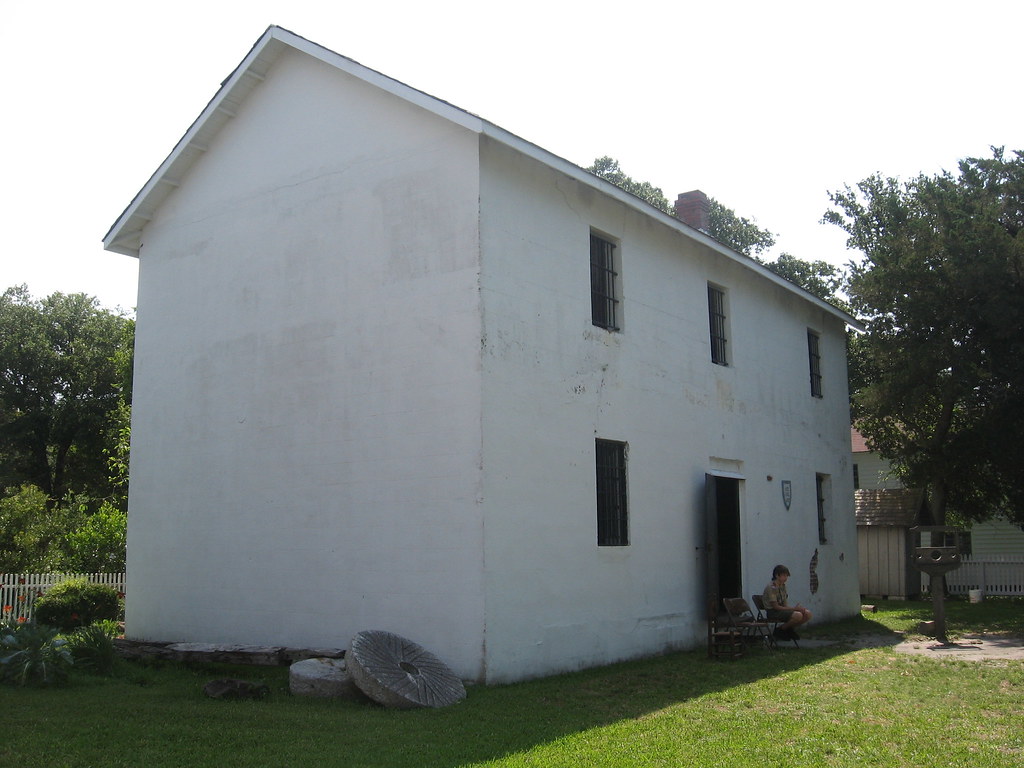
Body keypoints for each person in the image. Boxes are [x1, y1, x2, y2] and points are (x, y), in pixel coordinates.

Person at [762, 564, 812, 641]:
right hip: (773, 612)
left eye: (787, 576)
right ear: (777, 576)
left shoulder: (782, 586)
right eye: (784, 575)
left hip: (781, 610)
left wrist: (796, 609)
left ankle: (788, 629)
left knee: (807, 614)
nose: (786, 578)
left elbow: (785, 604)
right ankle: (780, 630)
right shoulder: (772, 587)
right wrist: (794, 609)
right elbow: (775, 606)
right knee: (797, 615)